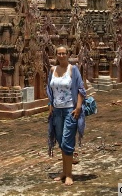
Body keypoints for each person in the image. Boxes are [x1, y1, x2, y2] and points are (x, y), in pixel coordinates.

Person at [47, 46, 86, 186]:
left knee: (67, 142)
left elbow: (81, 89)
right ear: (56, 55)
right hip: (57, 111)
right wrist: (50, 107)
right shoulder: (52, 70)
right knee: (61, 141)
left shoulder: (73, 69)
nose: (62, 55)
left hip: (70, 110)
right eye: (59, 53)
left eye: (64, 53)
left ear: (68, 54)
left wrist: (78, 107)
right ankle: (64, 171)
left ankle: (69, 175)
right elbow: (49, 90)